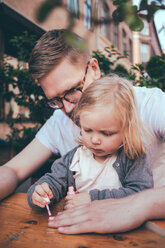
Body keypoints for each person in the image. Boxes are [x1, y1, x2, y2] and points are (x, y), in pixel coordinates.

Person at [0, 29, 165, 234]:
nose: (68, 109)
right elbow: (13, 170)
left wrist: (138, 206)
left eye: (71, 90)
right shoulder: (59, 121)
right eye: (55, 100)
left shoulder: (151, 104)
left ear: (94, 68)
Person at [27, 76, 153, 210]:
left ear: (127, 129)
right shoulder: (74, 159)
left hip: (119, 230)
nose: (94, 140)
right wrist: (41, 193)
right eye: (87, 130)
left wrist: (93, 199)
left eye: (106, 133)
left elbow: (141, 195)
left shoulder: (132, 157)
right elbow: (54, 181)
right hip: (79, 227)